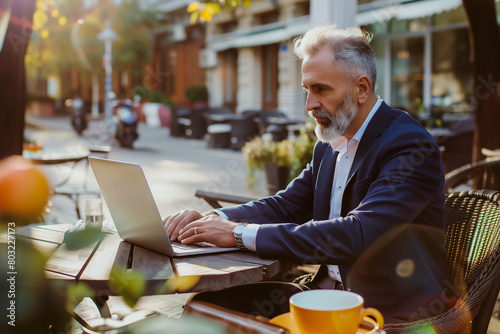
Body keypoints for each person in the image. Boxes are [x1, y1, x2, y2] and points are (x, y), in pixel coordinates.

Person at [164, 25, 450, 324]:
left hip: (391, 311)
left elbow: (360, 233)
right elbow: (286, 205)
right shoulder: (330, 142)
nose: (309, 105)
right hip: (324, 297)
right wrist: (214, 220)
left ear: (361, 88)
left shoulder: (409, 145)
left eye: (321, 89)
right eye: (307, 90)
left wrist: (237, 235)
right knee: (206, 308)